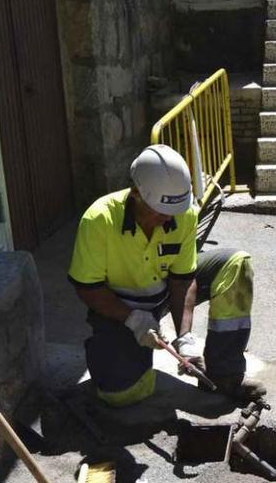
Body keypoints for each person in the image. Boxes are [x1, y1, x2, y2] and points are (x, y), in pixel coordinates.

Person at [67, 144, 265, 406]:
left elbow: (182, 279)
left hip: (163, 293)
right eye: (159, 211)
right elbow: (88, 289)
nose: (167, 218)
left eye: (173, 211)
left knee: (236, 263)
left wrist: (185, 336)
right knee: (120, 395)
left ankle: (224, 375)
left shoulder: (184, 215)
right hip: (118, 307)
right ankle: (126, 360)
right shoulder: (99, 219)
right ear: (136, 193)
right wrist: (133, 320)